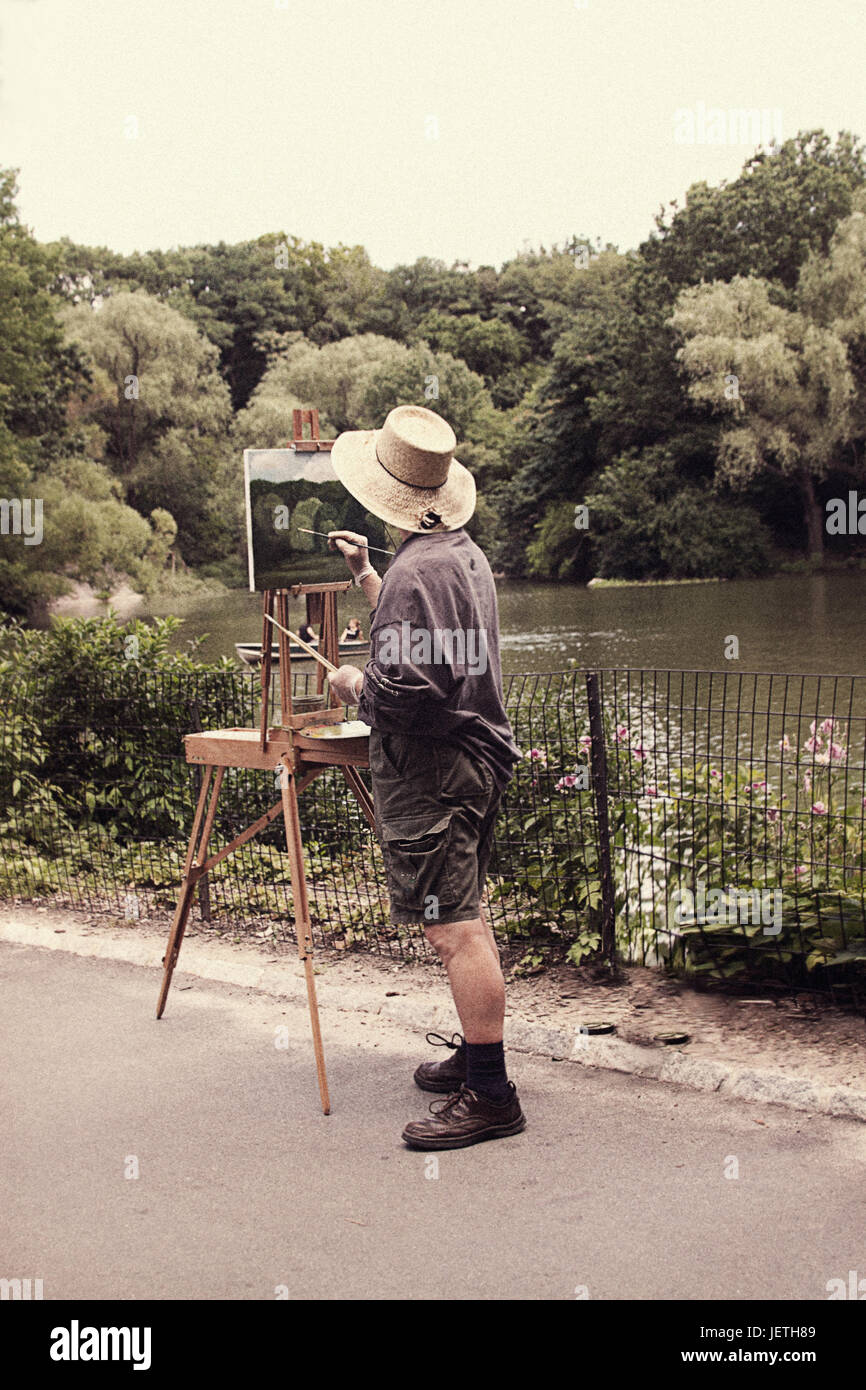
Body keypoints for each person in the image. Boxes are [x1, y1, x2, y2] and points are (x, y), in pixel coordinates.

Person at [326, 404, 525, 1150]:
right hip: (475, 759)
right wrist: (369, 578)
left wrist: (354, 685)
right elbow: (428, 642)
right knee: (465, 915)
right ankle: (478, 1059)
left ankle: (493, 1094)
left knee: (453, 929)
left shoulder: (421, 573)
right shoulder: (459, 555)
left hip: (437, 773)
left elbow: (406, 692)